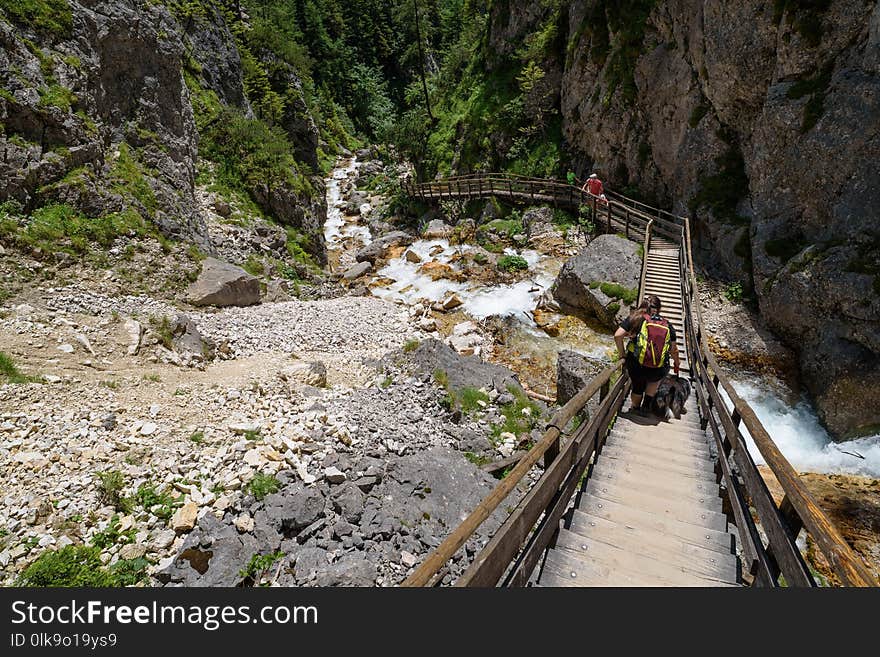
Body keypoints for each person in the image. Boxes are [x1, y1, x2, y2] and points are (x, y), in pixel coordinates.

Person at [614, 294, 681, 415]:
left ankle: (635, 408)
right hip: (658, 367)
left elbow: (618, 335)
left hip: (636, 363)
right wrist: (677, 363)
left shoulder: (635, 318)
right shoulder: (667, 325)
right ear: (659, 309)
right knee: (654, 380)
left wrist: (622, 354)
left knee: (638, 386)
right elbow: (674, 350)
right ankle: (646, 405)